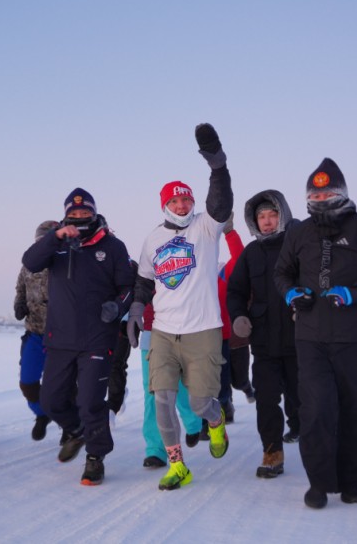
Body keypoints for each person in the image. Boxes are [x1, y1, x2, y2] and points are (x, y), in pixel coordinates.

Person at [274, 159, 357, 509]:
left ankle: (350, 482)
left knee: (355, 412)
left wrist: (354, 293)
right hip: (311, 338)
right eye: (315, 194)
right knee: (316, 410)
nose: (321, 199)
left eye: (327, 193)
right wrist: (290, 293)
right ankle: (318, 483)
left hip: (355, 339)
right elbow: (282, 273)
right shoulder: (298, 233)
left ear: (341, 193)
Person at [127, 122, 233, 491]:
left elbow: (221, 200)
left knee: (202, 402)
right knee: (162, 399)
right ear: (165, 205)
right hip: (164, 332)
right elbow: (144, 280)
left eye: (186, 199)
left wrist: (217, 165)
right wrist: (136, 310)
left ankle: (215, 422)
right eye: (175, 201)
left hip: (203, 330)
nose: (182, 205)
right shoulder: (153, 238)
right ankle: (178, 465)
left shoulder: (206, 226)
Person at [22, 189, 135, 486]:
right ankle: (76, 430)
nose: (80, 217)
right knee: (51, 400)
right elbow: (30, 262)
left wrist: (117, 306)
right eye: (74, 214)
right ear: (65, 217)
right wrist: (55, 237)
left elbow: (128, 287)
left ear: (94, 214)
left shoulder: (113, 246)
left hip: (97, 338)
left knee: (89, 401)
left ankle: (96, 456)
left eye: (85, 213)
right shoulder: (57, 245)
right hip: (59, 339)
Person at [227, 189, 300, 479]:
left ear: (283, 215)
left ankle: (308, 436)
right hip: (264, 342)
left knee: (301, 399)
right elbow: (235, 291)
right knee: (267, 399)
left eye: (272, 215)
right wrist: (239, 316)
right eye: (261, 217)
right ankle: (272, 452)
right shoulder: (251, 253)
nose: (267, 222)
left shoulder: (298, 245)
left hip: (299, 340)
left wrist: (308, 309)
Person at [138, 301, 204, 468]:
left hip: (180, 330)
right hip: (151, 332)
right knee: (153, 392)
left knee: (179, 387)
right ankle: (156, 450)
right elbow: (135, 292)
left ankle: (193, 421)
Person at [13, 220, 59, 441]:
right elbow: (20, 289)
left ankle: (70, 426)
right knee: (28, 382)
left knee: (60, 385)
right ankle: (41, 414)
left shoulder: (65, 264)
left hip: (61, 336)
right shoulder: (28, 265)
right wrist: (19, 304)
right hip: (34, 332)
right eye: (40, 241)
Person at [215, 214, 253, 426]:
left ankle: (246, 387)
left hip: (232, 337)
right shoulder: (190, 274)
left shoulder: (221, 272)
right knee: (219, 378)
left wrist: (229, 232)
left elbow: (239, 258)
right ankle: (224, 408)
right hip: (206, 337)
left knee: (237, 378)